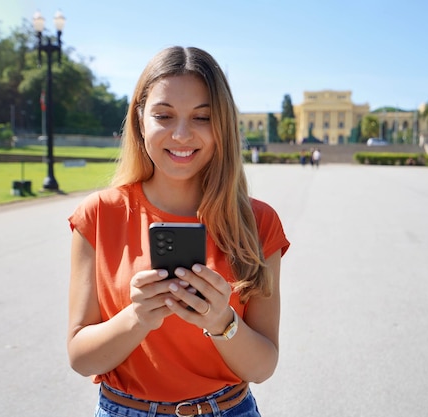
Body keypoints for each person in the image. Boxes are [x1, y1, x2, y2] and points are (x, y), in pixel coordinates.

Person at [67, 46, 290, 417]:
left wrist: (223, 322)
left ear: (222, 127)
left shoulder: (259, 222)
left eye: (202, 117)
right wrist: (136, 317)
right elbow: (81, 357)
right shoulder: (99, 215)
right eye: (164, 115)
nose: (182, 134)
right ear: (140, 120)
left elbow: (262, 367)